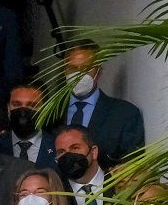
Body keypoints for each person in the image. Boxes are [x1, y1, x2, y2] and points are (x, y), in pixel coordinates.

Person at [60, 39, 145, 169]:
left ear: (98, 71)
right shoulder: (51, 115)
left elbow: (131, 169)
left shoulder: (125, 115)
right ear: (64, 70)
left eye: (86, 69)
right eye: (73, 69)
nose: (78, 75)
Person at [0, 82, 58, 169]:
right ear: (8, 108)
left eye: (32, 105)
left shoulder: (58, 146)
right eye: (17, 105)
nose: (23, 111)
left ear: (45, 109)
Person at [53, 125, 107, 205]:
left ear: (93, 152)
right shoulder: (55, 194)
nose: (68, 155)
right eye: (61, 152)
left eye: (75, 148)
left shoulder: (124, 181)